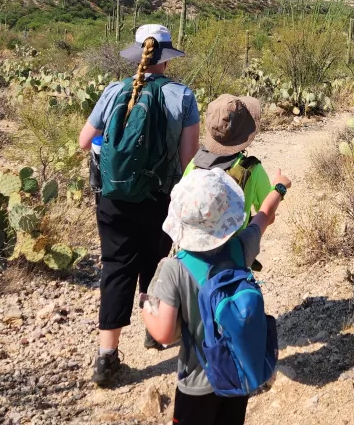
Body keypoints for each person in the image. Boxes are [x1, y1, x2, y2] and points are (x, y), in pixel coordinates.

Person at [78, 23, 200, 387]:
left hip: (112, 197)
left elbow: (86, 141)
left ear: (137, 54)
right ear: (165, 59)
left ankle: (106, 357)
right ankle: (154, 331)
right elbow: (189, 160)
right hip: (159, 197)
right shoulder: (183, 96)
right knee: (155, 264)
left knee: (116, 268)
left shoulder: (115, 89)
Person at [141, 166, 291, 425]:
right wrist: (279, 187)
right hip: (237, 372)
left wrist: (145, 307)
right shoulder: (240, 248)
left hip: (197, 383)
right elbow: (264, 216)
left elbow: (165, 334)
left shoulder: (174, 268)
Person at [182, 94, 273, 230]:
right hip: (234, 248)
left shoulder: (195, 164)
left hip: (193, 247)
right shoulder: (252, 169)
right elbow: (268, 215)